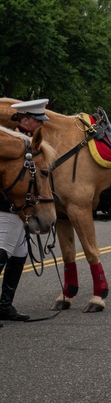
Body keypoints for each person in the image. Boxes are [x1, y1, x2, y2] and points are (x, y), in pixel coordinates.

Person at [0, 99, 49, 323]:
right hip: (7, 205)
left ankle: (5, 305)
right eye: (38, 121)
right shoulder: (12, 142)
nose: (42, 126)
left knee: (19, 254)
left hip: (21, 207)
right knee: (4, 252)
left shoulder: (29, 143)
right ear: (26, 120)